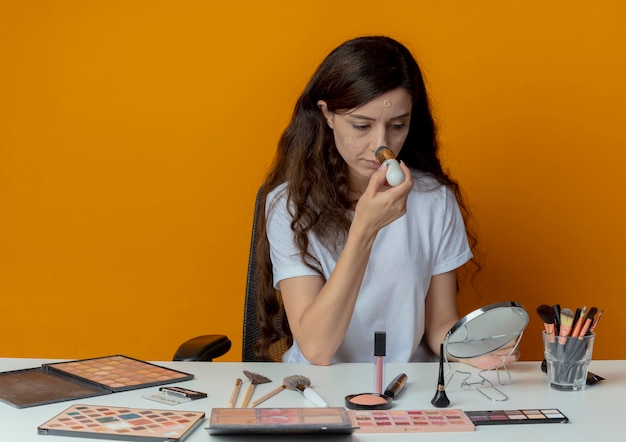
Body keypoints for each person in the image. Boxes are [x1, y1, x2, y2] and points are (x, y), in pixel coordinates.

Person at [254, 35, 519, 369]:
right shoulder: (289, 205)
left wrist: (469, 350)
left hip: (407, 383)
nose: (382, 146)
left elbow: (438, 324)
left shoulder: (434, 199)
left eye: (397, 125)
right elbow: (317, 349)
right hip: (320, 386)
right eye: (361, 125)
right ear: (328, 114)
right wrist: (364, 229)